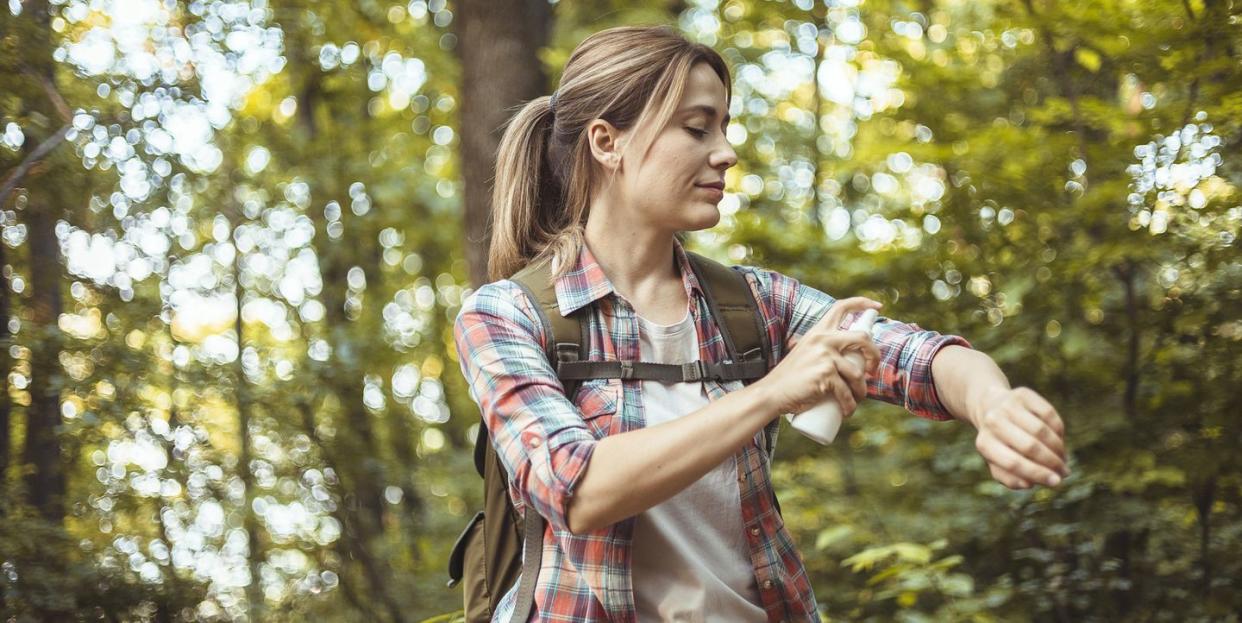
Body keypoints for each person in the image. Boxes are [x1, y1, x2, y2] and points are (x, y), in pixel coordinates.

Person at [452, 24, 1070, 622]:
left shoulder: (749, 303)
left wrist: (994, 405)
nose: (726, 151)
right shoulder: (505, 316)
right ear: (606, 141)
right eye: (696, 128)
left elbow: (921, 359)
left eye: (723, 126)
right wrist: (773, 392)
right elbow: (576, 490)